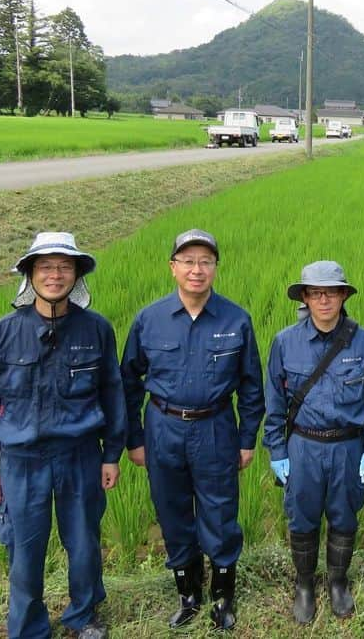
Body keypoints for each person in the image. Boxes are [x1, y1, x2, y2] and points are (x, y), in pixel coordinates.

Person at [0, 232, 126, 639]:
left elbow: (112, 393)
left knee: (84, 546)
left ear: (76, 275)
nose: (55, 275)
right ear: (29, 275)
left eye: (64, 267)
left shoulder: (96, 329)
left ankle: (83, 617)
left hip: (80, 456)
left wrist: (112, 454)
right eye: (45, 267)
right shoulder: (1, 334)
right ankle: (27, 627)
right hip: (21, 461)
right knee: (24, 552)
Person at [120, 229, 264, 631]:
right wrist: (134, 438)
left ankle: (222, 597)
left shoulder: (236, 319)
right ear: (173, 267)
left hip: (216, 428)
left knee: (220, 513)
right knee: (172, 512)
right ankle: (188, 595)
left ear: (215, 267)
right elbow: (128, 383)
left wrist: (247, 439)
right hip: (163, 429)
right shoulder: (149, 319)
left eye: (205, 261)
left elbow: (252, 385)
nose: (197, 270)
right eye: (188, 261)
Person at [263, 261, 364, 624]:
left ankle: (338, 583)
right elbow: (275, 403)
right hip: (304, 447)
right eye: (316, 293)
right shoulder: (285, 343)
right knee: (302, 518)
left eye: (331, 292)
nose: (324, 300)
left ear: (343, 295)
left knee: (344, 516)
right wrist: (278, 451)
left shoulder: (363, 342)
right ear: (305, 297)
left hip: (348, 447)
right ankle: (303, 585)